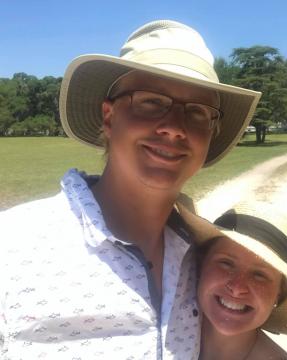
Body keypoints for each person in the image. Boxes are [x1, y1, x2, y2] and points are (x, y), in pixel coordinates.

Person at [0, 20, 260, 359]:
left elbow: (241, 339)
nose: (174, 128)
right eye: (151, 102)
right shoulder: (14, 246)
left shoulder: (203, 261)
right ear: (109, 117)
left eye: (197, 111)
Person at [180, 202, 287, 360]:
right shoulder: (159, 330)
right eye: (226, 263)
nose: (237, 288)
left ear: (279, 295)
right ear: (202, 264)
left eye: (259, 275)